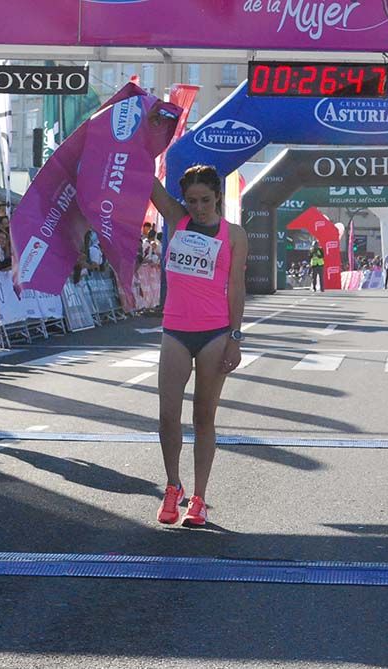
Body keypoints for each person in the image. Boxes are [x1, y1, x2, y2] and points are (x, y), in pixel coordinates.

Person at [148, 164, 248, 527]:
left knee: (203, 417)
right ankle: (172, 486)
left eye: (205, 200)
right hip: (175, 330)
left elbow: (236, 288)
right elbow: (146, 180)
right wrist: (133, 137)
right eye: (191, 200)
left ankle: (199, 498)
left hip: (215, 333)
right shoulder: (178, 219)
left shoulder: (234, 234)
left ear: (217, 196)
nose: (199, 208)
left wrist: (235, 337)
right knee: (167, 415)